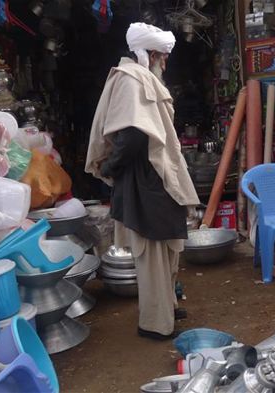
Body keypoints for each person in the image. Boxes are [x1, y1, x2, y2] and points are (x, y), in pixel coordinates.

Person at [85, 23, 200, 340]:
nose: (165, 63)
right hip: (144, 180)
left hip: (155, 179)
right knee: (152, 256)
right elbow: (134, 137)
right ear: (149, 54)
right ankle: (155, 324)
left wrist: (112, 166)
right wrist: (110, 165)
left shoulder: (140, 79)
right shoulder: (131, 81)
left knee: (164, 252)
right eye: (162, 57)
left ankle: (169, 307)